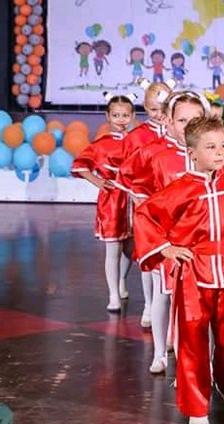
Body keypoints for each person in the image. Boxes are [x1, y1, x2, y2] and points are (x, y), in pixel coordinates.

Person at [134, 116, 224, 424]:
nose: (219, 152)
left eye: (222, 145)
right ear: (192, 152)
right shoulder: (180, 189)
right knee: (193, 341)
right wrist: (165, 247)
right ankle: (196, 405)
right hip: (194, 274)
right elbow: (145, 215)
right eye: (210, 147)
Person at [119, 90, 211, 374]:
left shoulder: (211, 153)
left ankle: (199, 358)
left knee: (200, 301)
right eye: (182, 120)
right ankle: (160, 352)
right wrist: (151, 225)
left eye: (195, 120)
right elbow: (135, 185)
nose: (188, 126)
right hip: (168, 242)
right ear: (169, 122)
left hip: (201, 242)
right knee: (164, 293)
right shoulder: (156, 155)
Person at [115, 78, 172, 328]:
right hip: (146, 205)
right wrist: (138, 199)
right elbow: (126, 173)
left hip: (173, 205)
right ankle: (149, 305)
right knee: (148, 256)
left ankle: (170, 311)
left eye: (163, 109)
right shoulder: (136, 137)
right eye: (153, 109)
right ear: (145, 108)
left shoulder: (178, 133)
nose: (158, 114)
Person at [71, 94, 135, 312]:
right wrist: (98, 181)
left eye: (125, 115)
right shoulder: (102, 144)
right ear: (108, 116)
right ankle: (113, 294)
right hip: (113, 200)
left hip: (134, 199)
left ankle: (122, 281)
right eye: (116, 115)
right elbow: (80, 165)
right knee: (113, 248)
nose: (121, 119)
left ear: (132, 116)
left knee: (131, 247)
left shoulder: (137, 141)